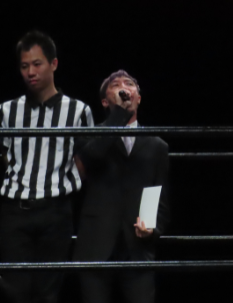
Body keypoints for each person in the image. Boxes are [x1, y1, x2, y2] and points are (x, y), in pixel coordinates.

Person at [0, 30, 94, 303]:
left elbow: (85, 161)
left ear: (53, 64)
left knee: (48, 293)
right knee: (14, 291)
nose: (30, 72)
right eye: (24, 66)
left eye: (36, 64)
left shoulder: (78, 111)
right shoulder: (7, 110)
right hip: (14, 210)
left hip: (56, 211)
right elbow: (3, 155)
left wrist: (60, 185)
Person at [73, 70, 169, 303]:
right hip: (96, 245)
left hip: (137, 248)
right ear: (105, 101)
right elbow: (92, 157)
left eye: (129, 84)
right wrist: (119, 115)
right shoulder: (90, 135)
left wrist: (153, 230)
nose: (124, 88)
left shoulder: (157, 146)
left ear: (138, 98)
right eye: (116, 85)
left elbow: (162, 198)